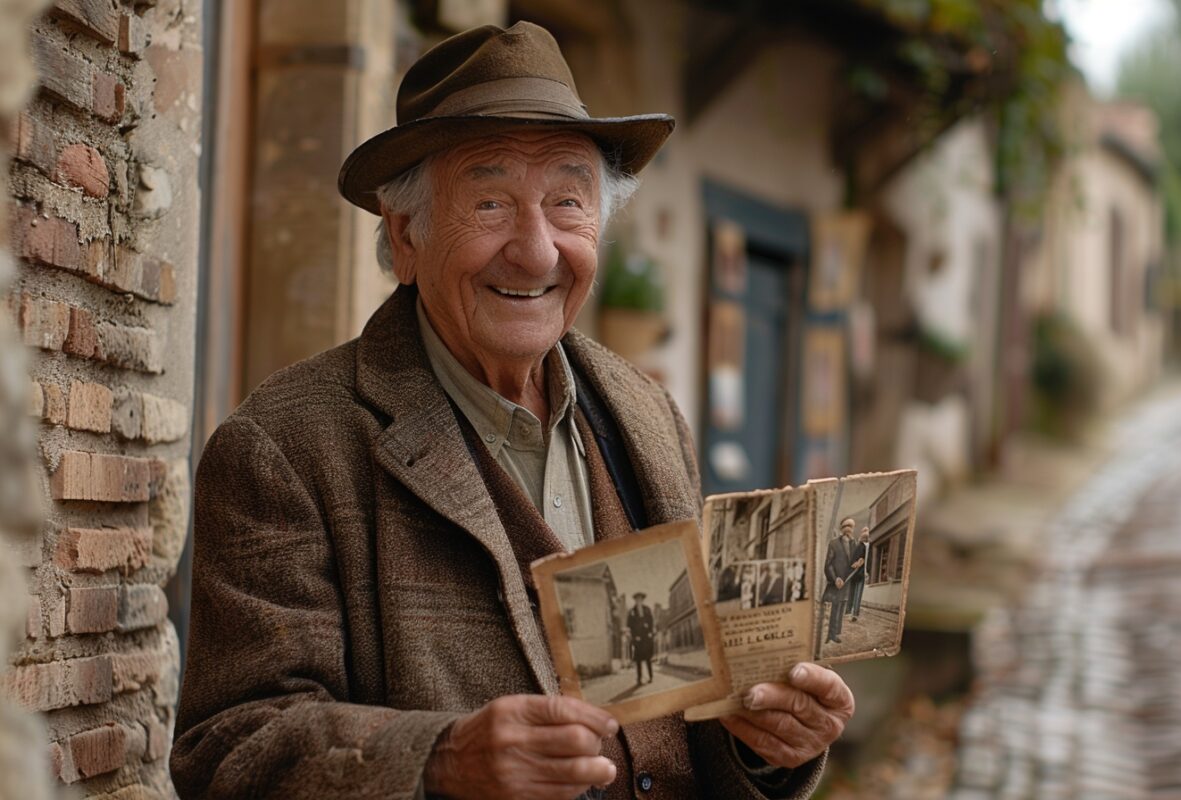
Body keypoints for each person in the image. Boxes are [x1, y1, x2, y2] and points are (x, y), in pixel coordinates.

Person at [171, 21, 854, 800]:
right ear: (405, 236)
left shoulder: (647, 415)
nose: (536, 251)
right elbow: (228, 749)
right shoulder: (285, 447)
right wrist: (439, 759)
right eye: (490, 202)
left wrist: (766, 745)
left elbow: (689, 719)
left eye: (569, 201)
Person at [821, 518, 857, 644]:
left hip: (847, 582)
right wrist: (835, 578)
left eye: (851, 526)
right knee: (834, 608)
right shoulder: (834, 543)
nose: (849, 528)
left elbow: (855, 562)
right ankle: (830, 635)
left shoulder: (855, 544)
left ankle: (835, 634)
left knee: (841, 608)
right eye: (846, 525)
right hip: (836, 581)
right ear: (842, 528)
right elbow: (828, 564)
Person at [627, 592, 655, 686]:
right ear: (635, 600)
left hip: (646, 638)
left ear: (643, 600)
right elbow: (629, 625)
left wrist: (650, 632)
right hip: (638, 639)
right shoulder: (632, 611)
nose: (639, 601)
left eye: (640, 599)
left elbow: (651, 621)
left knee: (648, 659)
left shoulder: (647, 610)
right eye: (637, 599)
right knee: (638, 660)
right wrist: (635, 636)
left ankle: (651, 677)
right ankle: (639, 679)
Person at [847, 526, 870, 621]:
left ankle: (849, 612)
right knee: (857, 593)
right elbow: (866, 561)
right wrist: (866, 570)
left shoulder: (858, 546)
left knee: (853, 593)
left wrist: (854, 566)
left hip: (855, 573)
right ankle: (854, 613)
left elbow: (852, 560)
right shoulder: (865, 546)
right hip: (859, 573)